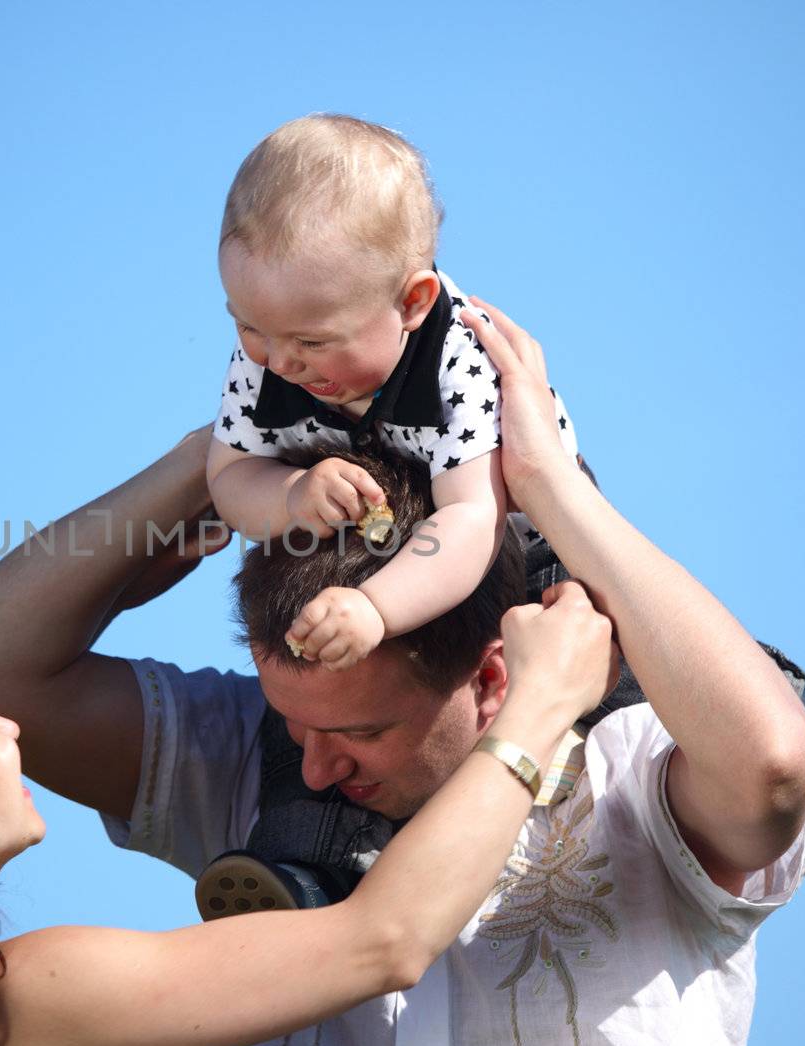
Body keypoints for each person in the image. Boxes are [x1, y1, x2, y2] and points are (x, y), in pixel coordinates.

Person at [0, 299, 805, 1046]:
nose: (313, 767)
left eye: (360, 735)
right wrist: (224, 458)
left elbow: (775, 766)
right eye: (294, 724)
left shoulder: (637, 774)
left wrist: (547, 481)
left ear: (492, 673)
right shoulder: (262, 758)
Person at [0, 575, 618, 1046]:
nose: (11, 724)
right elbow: (386, 941)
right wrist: (540, 707)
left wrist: (203, 474)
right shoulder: (15, 999)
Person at [207, 114, 580, 670]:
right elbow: (228, 477)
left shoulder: (461, 363)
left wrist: (376, 608)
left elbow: (472, 520)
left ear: (412, 304)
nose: (279, 361)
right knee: (314, 679)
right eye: (249, 327)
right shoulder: (272, 351)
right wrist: (289, 494)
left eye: (312, 340)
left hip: (521, 544)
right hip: (371, 540)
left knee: (589, 673)